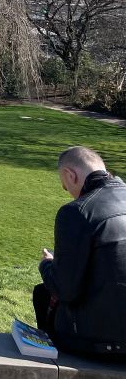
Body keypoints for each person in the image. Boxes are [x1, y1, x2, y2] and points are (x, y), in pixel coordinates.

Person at [34, 146, 126, 356]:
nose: (65, 189)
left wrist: (47, 264)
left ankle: (50, 362)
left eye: (64, 184)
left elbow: (64, 289)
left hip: (102, 343)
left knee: (43, 294)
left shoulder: (77, 211)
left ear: (70, 175)